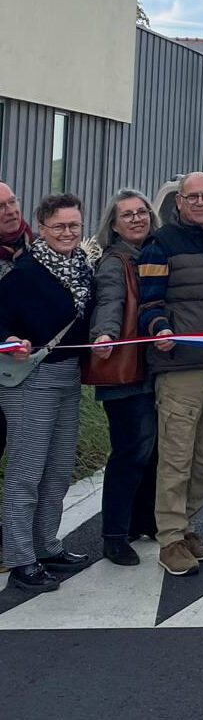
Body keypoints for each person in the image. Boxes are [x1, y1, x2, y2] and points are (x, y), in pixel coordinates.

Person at [138, 171, 203, 577]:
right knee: (176, 458)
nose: (200, 203)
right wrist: (159, 327)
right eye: (192, 197)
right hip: (180, 366)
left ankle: (189, 526)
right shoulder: (160, 244)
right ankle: (169, 539)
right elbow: (149, 302)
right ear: (178, 201)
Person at [0, 193, 93, 592]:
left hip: (69, 377)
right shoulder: (22, 274)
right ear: (42, 228)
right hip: (30, 380)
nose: (68, 233)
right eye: (59, 226)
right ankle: (20, 559)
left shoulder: (83, 269)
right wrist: (11, 339)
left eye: (74, 225)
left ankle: (47, 545)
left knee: (56, 471)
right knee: (26, 472)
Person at [89, 190, 160, 566]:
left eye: (142, 212)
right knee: (130, 453)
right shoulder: (116, 262)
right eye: (127, 215)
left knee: (153, 451)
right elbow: (110, 301)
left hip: (153, 370)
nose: (137, 219)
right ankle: (114, 535)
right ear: (113, 225)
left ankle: (143, 520)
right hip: (124, 373)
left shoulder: (155, 255)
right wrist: (105, 335)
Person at [0, 180, 33, 570]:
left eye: (13, 202)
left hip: (27, 373)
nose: (10, 211)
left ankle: (20, 541)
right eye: (2, 207)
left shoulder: (36, 248)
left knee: (25, 459)